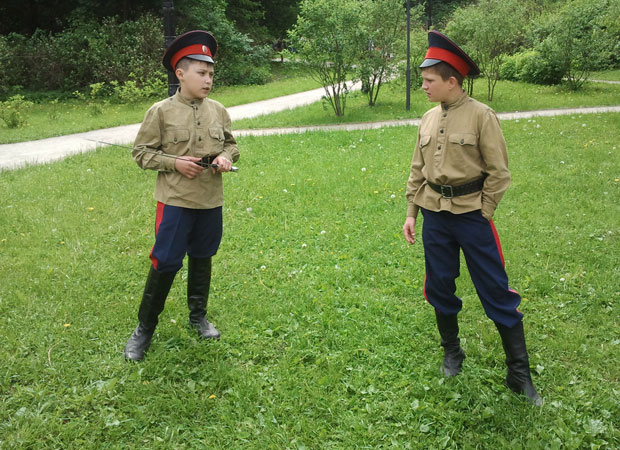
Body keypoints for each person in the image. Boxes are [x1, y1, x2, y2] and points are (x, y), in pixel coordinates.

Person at [402, 31, 541, 405]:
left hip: (472, 217)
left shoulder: (482, 116)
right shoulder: (428, 118)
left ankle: (519, 374)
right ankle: (452, 352)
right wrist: (412, 212)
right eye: (423, 80)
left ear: (452, 81)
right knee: (439, 286)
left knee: (495, 289)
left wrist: (484, 212)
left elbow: (499, 172)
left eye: (429, 80)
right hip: (434, 216)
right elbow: (418, 170)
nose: (424, 86)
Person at [123, 30, 239, 361]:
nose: (208, 80)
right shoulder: (160, 112)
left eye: (211, 73)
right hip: (175, 201)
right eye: (201, 73)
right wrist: (174, 162)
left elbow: (231, 145)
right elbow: (141, 153)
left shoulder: (219, 110)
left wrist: (225, 157)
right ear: (180, 74)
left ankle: (198, 317)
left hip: (209, 200)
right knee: (166, 261)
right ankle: (144, 329)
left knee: (203, 255)